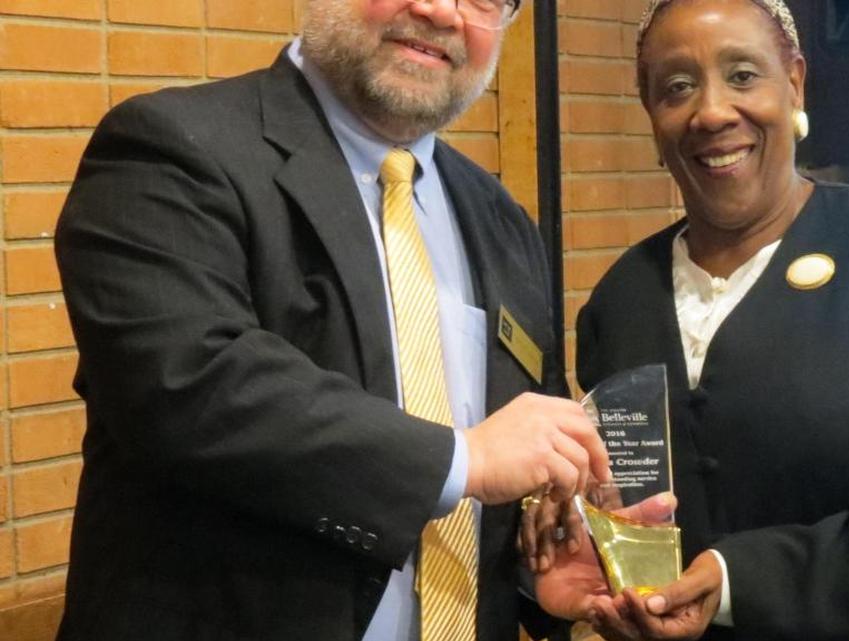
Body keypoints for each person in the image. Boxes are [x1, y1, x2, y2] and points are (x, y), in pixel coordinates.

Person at [52, 1, 610, 640]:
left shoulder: (499, 216)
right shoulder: (171, 148)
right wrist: (463, 459)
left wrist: (534, 571)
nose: (439, 10)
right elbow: (187, 384)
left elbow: (515, 464)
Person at [531, 0, 849, 639]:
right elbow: (635, 509)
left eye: (743, 75)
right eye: (678, 87)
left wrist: (740, 580)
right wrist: (597, 557)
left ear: (794, 82)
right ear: (651, 113)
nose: (712, 111)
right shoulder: (620, 300)